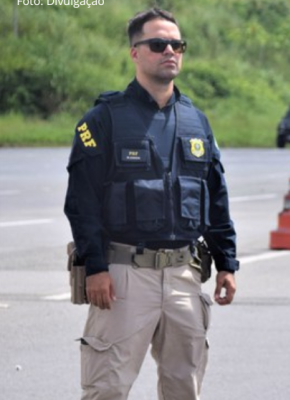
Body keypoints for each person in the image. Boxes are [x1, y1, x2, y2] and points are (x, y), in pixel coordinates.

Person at [63, 8, 238, 399]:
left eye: (177, 45)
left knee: (184, 387)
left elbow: (215, 196)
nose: (170, 51)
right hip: (123, 275)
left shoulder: (197, 121)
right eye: (158, 44)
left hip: (184, 276)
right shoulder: (102, 120)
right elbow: (81, 202)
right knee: (107, 388)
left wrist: (227, 262)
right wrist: (96, 267)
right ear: (135, 52)